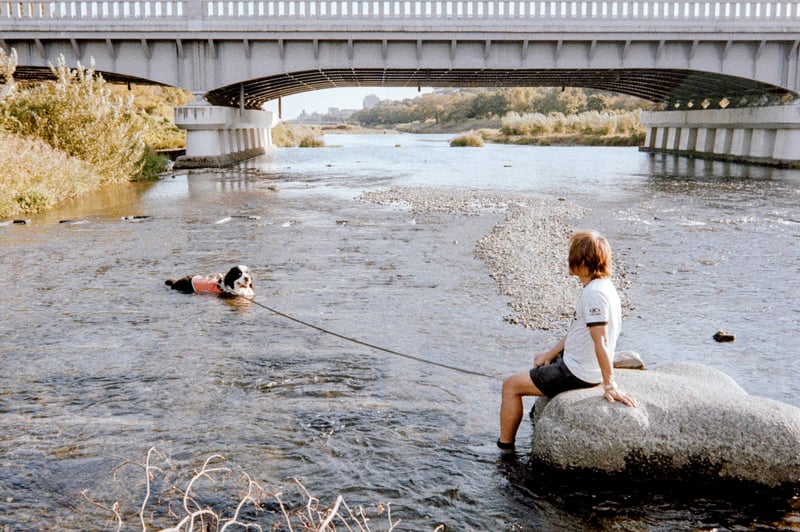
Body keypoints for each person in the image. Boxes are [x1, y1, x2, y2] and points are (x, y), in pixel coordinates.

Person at [497, 230, 636, 450]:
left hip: (577, 373)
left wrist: (610, 385)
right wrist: (549, 354)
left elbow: (601, 342)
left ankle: (505, 450)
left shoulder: (594, 294)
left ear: (582, 261)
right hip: (578, 364)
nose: (568, 261)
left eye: (571, 256)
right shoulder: (604, 286)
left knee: (511, 385)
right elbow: (579, 329)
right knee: (540, 363)